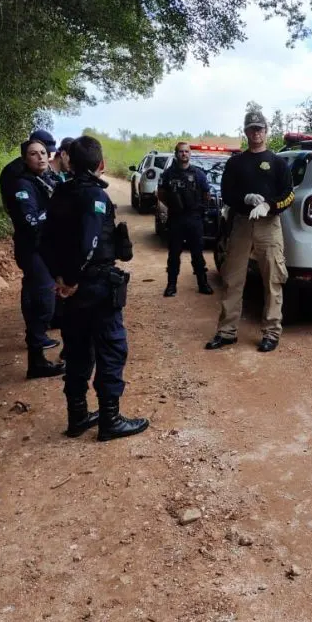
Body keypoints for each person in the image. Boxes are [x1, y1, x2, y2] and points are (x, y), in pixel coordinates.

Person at [41, 135, 148, 441]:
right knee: (111, 348)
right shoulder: (95, 197)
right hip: (93, 286)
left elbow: (45, 241)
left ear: (69, 162)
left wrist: (58, 279)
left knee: (76, 351)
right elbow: (89, 243)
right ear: (101, 165)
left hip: (69, 287)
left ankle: (77, 417)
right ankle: (110, 420)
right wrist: (72, 280)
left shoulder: (59, 192)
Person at [206, 111, 295, 353]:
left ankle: (271, 332)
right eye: (251, 128)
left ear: (266, 130)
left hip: (269, 225)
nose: (256, 132)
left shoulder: (278, 163)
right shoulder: (236, 163)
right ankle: (227, 331)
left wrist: (269, 204)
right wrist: (245, 198)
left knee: (272, 279)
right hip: (242, 223)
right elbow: (226, 192)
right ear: (245, 132)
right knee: (233, 278)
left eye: (260, 128)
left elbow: (289, 194)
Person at [2, 136, 66, 378]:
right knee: (44, 296)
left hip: (42, 248)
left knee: (33, 294)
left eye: (42, 153)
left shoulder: (41, 180)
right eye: (33, 154)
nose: (40, 157)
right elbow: (29, 221)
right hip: (31, 249)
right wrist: (54, 211)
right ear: (24, 158)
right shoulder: (22, 185)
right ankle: (37, 357)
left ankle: (36, 354)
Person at [158, 141, 214, 297]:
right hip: (176, 218)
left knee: (198, 253)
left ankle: (203, 283)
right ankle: (171, 285)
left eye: (187, 152)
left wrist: (199, 208)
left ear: (190, 154)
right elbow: (161, 193)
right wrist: (173, 205)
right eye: (181, 152)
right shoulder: (168, 174)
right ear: (176, 154)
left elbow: (206, 194)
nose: (184, 154)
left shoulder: (198, 174)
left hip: (194, 218)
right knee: (174, 253)